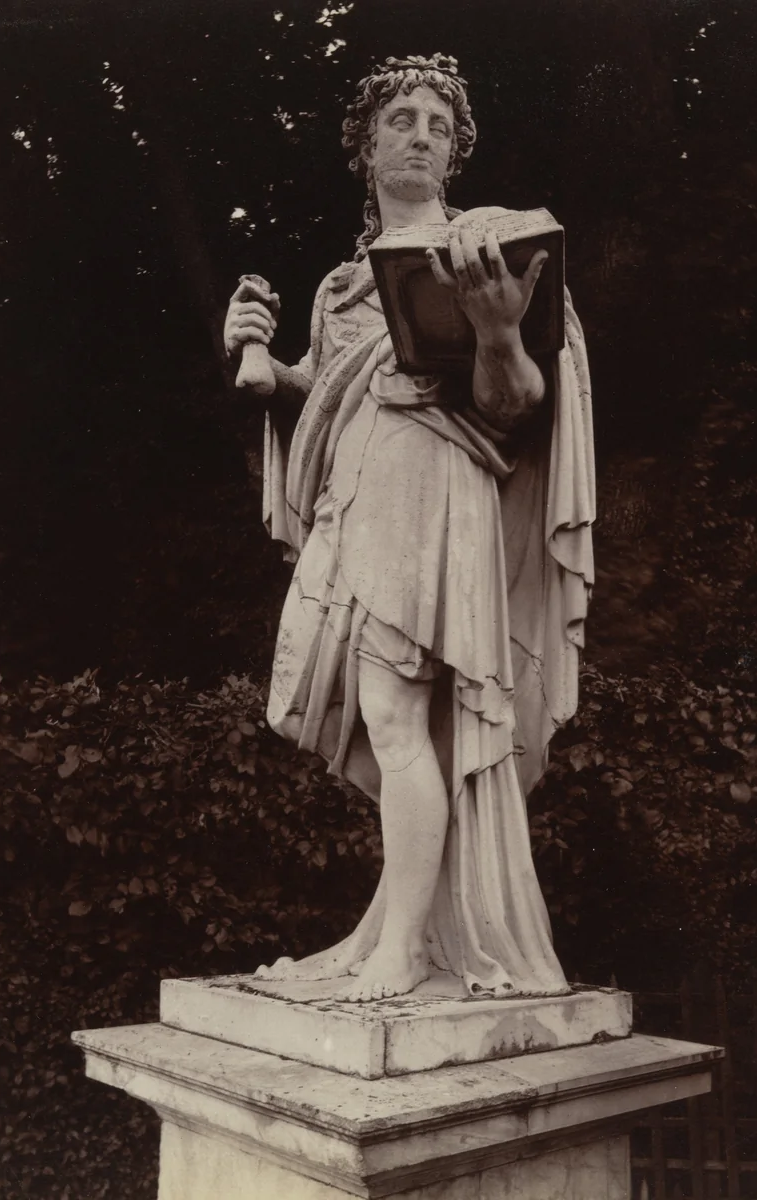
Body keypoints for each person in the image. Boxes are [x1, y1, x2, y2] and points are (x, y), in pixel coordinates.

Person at [223, 53, 595, 1002]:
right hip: (357, 500)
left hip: (437, 487)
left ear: (457, 150)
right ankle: (406, 925)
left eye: (439, 121)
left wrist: (501, 331)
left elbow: (515, 410)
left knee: (399, 715)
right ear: (367, 144)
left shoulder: (488, 246)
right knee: (389, 724)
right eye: (402, 119)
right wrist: (261, 358)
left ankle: (401, 953)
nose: (422, 132)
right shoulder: (343, 290)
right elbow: (323, 406)